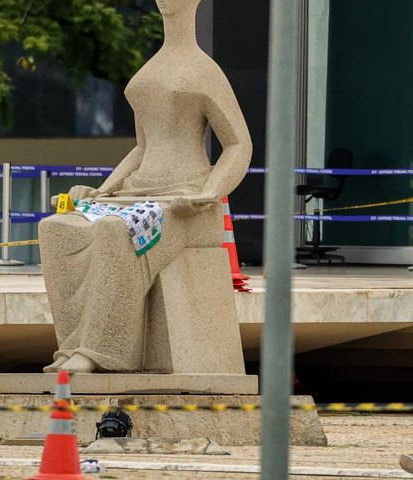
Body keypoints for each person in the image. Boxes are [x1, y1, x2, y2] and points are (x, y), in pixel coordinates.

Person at [38, 0, 252, 373]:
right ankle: (71, 346)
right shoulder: (149, 70)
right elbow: (142, 147)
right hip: (135, 193)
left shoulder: (206, 72)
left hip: (183, 201)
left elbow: (238, 145)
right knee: (56, 228)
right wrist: (103, 190)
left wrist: (208, 193)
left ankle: (99, 351)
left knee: (114, 231)